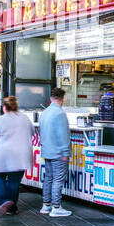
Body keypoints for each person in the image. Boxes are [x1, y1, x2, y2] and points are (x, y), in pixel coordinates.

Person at [0, 96, 33, 215]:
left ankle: (5, 200)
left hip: (3, 155)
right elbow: (32, 132)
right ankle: (12, 208)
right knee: (14, 181)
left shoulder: (0, 119)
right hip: (22, 155)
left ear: (4, 107)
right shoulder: (25, 118)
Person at [38, 87, 72, 217]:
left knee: (48, 178)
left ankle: (46, 205)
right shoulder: (60, 113)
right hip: (58, 152)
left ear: (50, 98)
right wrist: (65, 153)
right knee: (58, 179)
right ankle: (56, 207)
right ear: (62, 99)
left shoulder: (45, 113)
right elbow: (64, 135)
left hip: (47, 151)